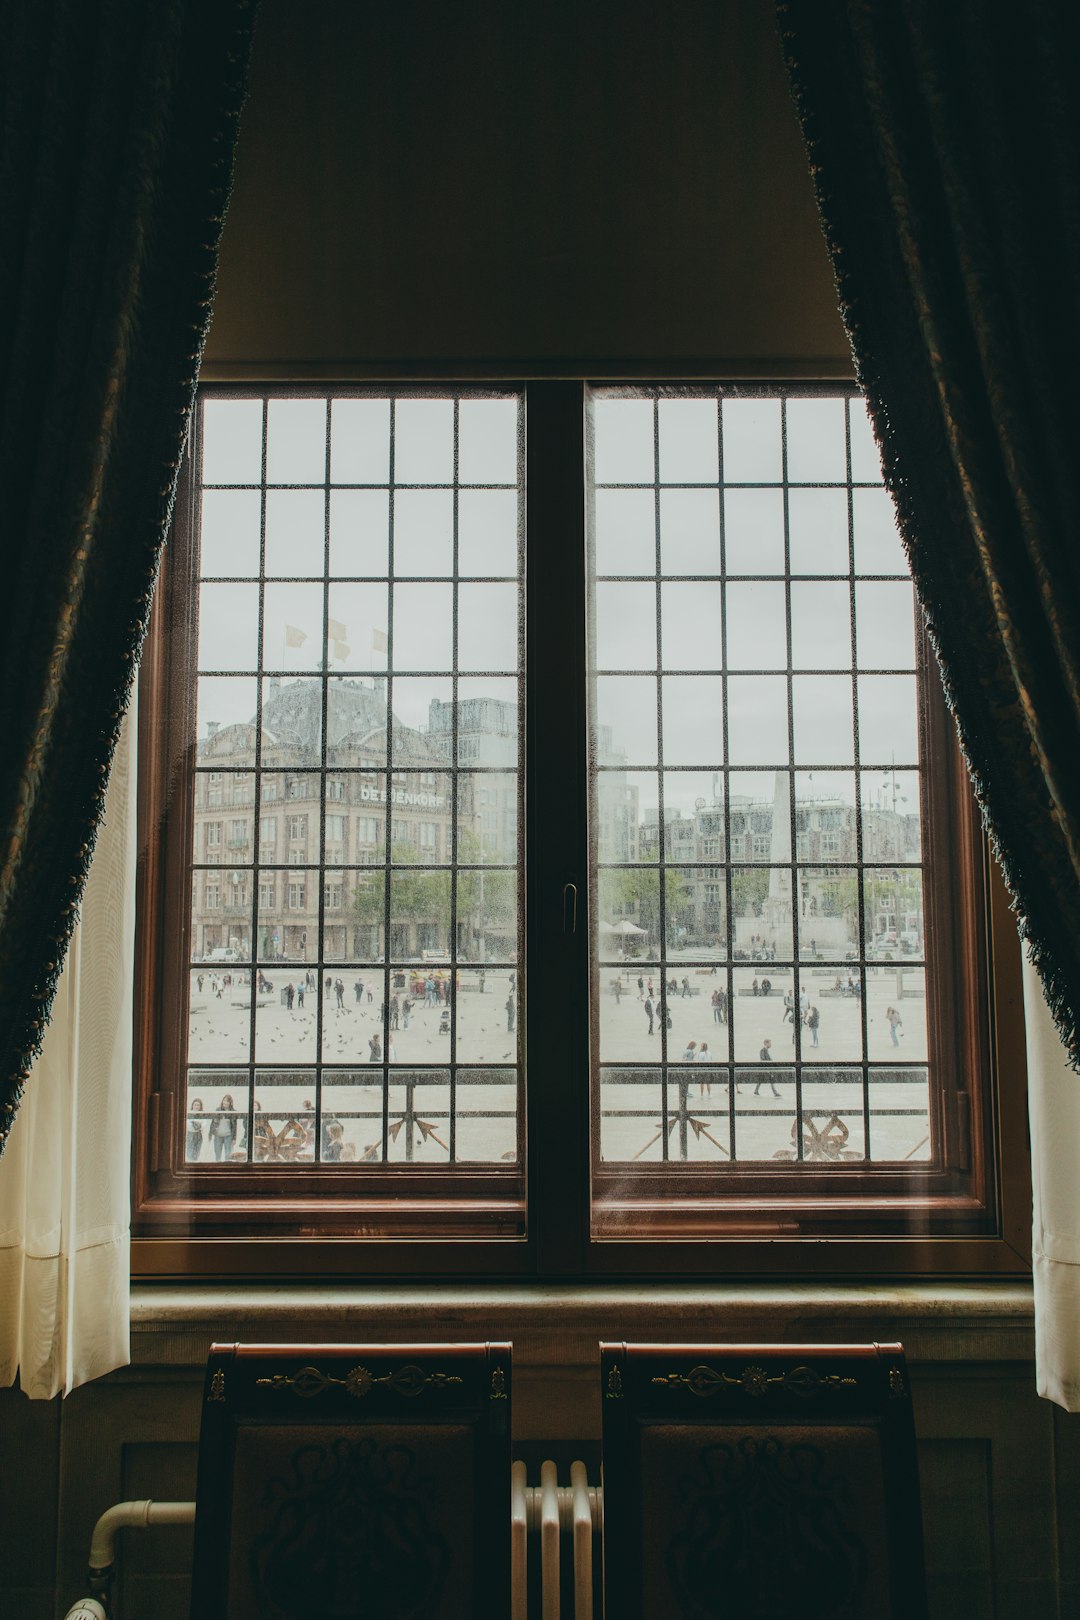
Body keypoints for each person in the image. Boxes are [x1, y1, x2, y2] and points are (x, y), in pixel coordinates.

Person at [210, 1094, 238, 1161]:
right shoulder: (218, 1110)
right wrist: (211, 1133)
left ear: (230, 1103)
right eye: (224, 1100)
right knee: (217, 1155)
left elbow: (234, 1126)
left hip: (228, 1136)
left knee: (228, 1155)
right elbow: (213, 1123)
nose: (225, 1102)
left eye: (227, 1101)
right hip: (218, 1135)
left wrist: (234, 1138)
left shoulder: (233, 1112)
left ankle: (227, 1168)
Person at [186, 1097, 204, 1162]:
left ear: (200, 1106)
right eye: (195, 1105)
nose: (196, 1106)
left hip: (198, 1135)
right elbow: (188, 1125)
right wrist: (197, 1124)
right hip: (190, 1134)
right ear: (192, 1105)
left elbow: (204, 1124)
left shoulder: (202, 1114)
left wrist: (197, 1125)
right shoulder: (189, 1113)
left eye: (198, 1105)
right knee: (189, 1151)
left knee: (197, 1151)